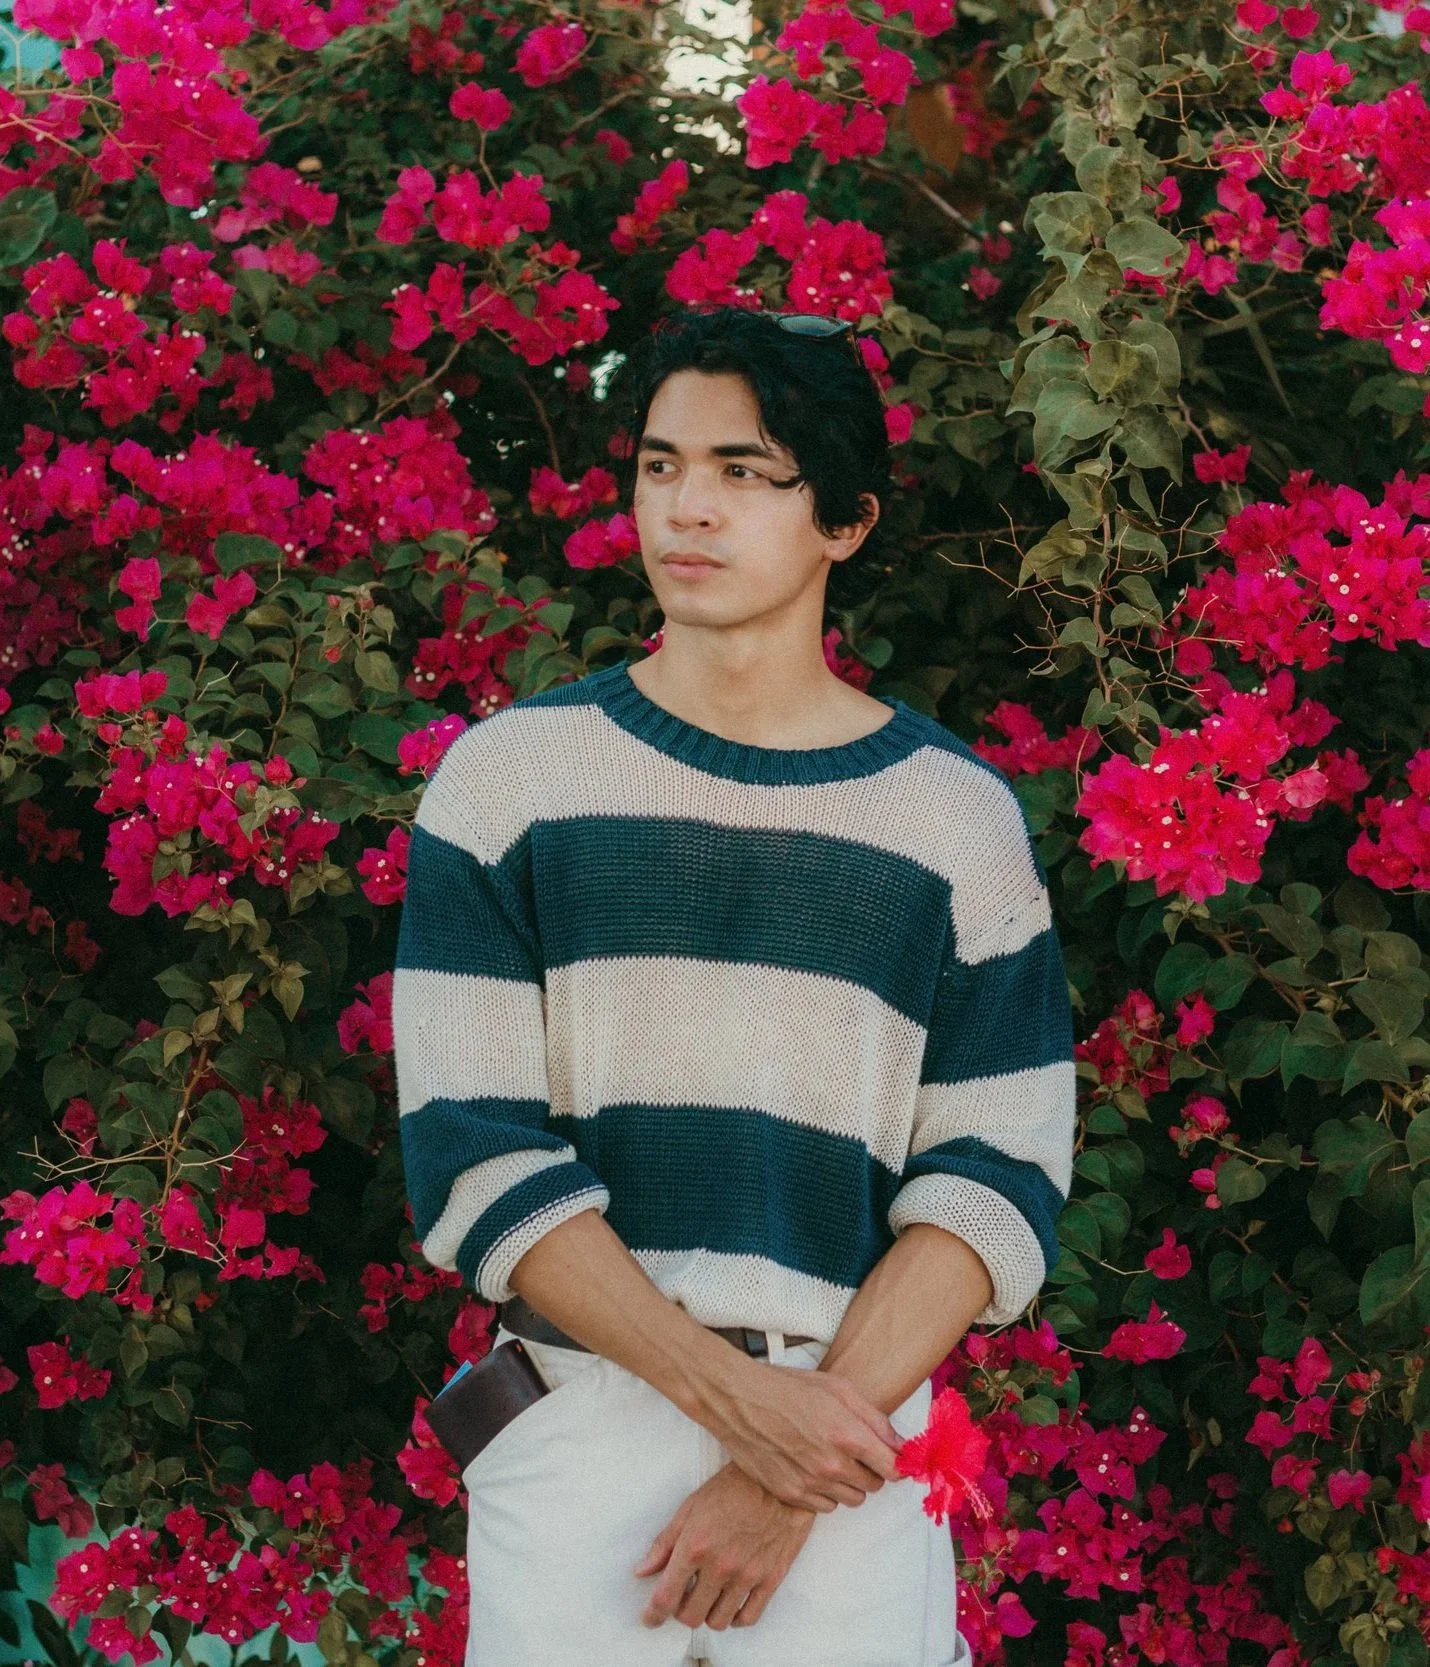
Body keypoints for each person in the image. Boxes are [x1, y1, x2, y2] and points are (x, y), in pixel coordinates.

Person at [391, 305, 1077, 1666]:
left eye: (743, 472)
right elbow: (472, 1158)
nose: (687, 509)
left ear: (846, 522)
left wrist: (781, 1462)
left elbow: (992, 1180)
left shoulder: (953, 823)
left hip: (845, 1443)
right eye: (660, 465)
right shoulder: (509, 783)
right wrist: (735, 1403)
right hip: (582, 1427)